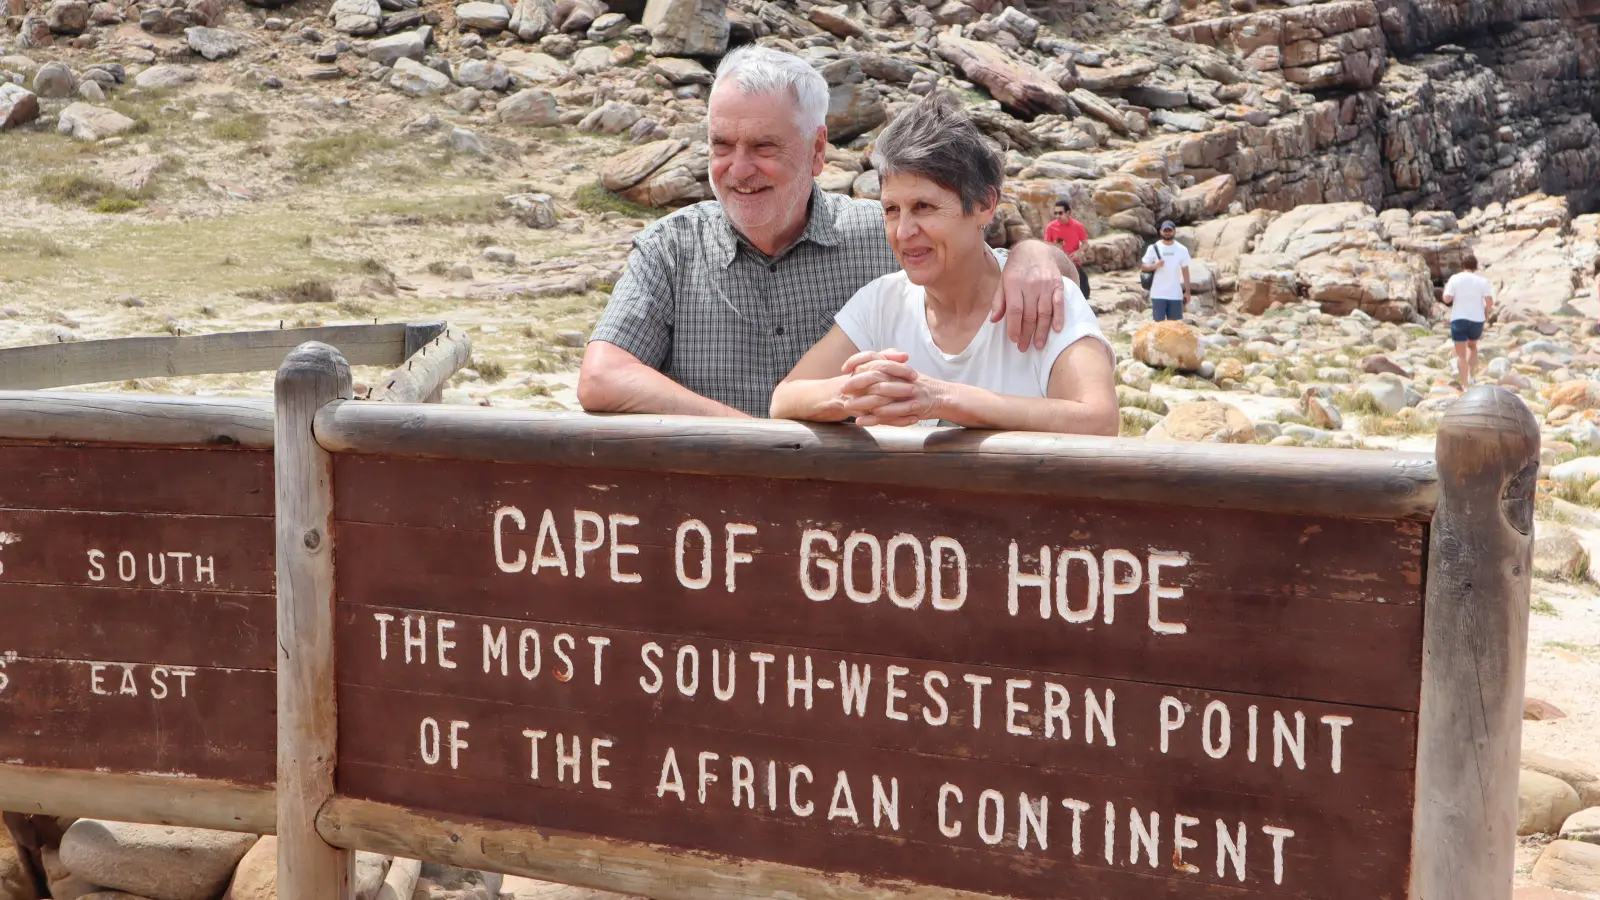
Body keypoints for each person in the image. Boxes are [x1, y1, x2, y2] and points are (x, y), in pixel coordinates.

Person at [577, 46, 1076, 418]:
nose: (738, 168)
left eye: (764, 147)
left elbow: (988, 265)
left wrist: (1037, 253)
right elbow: (602, 377)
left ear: (818, 152)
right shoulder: (671, 247)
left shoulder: (884, 235)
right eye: (722, 145)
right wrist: (750, 439)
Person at [769, 92, 1118, 435]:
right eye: (892, 210)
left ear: (984, 204)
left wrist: (940, 398)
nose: (904, 232)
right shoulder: (880, 302)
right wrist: (857, 391)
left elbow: (1098, 420)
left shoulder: (1043, 297)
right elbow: (784, 399)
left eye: (924, 207)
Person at [1443, 255, 1493, 387]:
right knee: (1472, 346)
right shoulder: (1482, 281)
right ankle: (1471, 375)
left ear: (1462, 265)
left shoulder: (1455, 278)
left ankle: (1464, 385)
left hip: (1459, 318)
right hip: (1477, 319)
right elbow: (1489, 301)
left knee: (1461, 355)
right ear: (1476, 266)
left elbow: (1446, 299)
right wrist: (1486, 312)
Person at [1140, 221, 1192, 322]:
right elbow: (1143, 267)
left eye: (1170, 230)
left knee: (1173, 326)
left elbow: (1185, 270)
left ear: (1174, 232)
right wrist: (1155, 266)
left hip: (1175, 294)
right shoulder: (1153, 248)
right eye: (1165, 231)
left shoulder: (1182, 249)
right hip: (1158, 293)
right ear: (1160, 232)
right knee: (1159, 324)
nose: (1167, 233)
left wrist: (1188, 291)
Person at [1044, 200, 1091, 300]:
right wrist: (1055, 246)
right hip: (1057, 264)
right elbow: (1045, 245)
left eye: (1060, 213)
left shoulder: (1078, 226)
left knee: (1084, 291)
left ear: (1068, 213)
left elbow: (1085, 244)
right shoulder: (1050, 227)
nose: (1057, 216)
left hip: (1073, 262)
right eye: (1055, 213)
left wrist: (1078, 252)